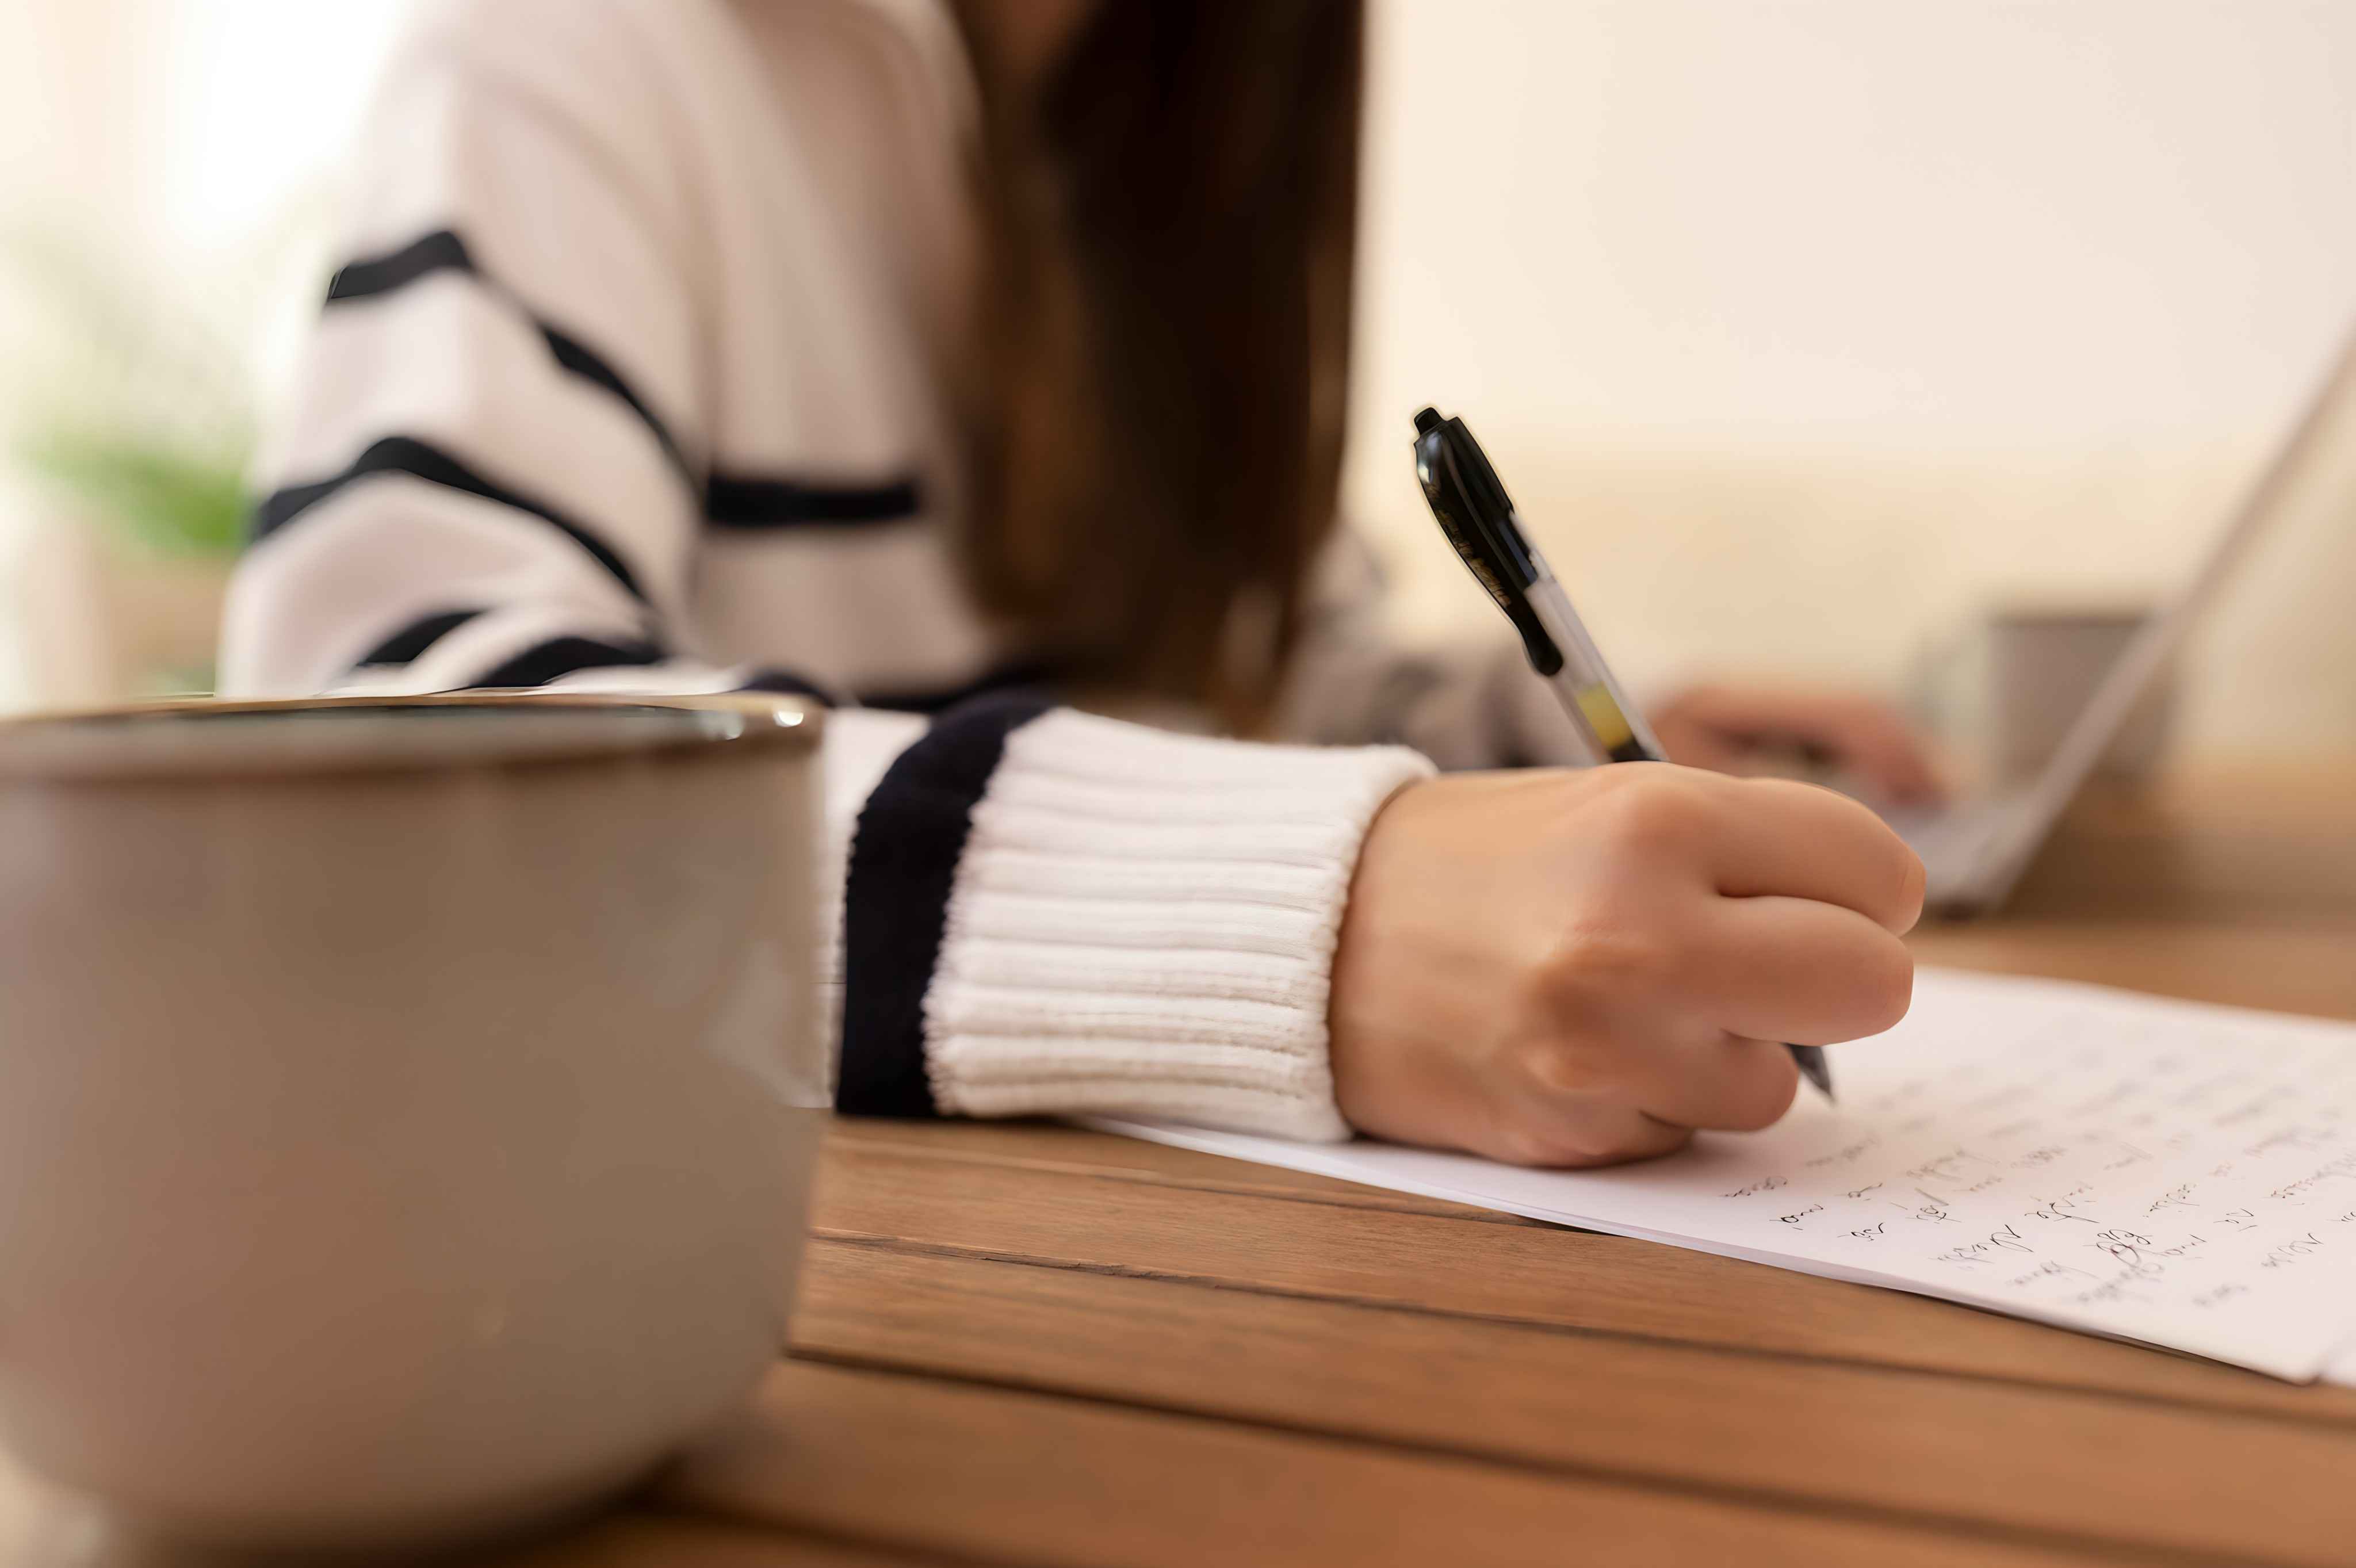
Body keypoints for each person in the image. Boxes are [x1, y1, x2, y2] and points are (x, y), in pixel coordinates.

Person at [220, 0, 1938, 1168]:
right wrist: (1307, 922)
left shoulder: (1160, 117)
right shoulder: (582, 56)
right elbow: (359, 751)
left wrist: (1538, 731)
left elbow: (1243, 670)